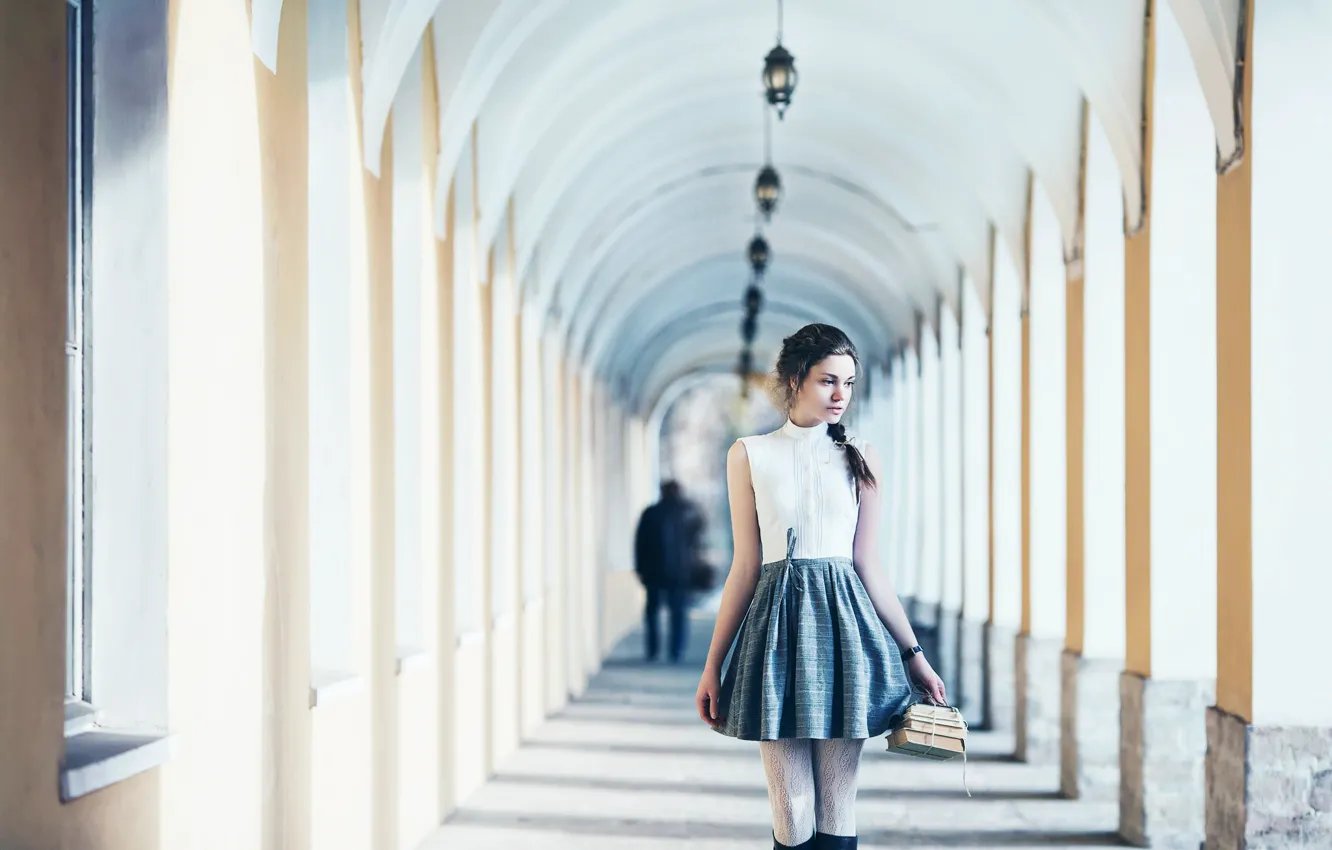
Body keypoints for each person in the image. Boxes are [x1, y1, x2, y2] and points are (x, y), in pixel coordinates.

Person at [695, 323, 947, 850]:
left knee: (837, 807)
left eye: (849, 384)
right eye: (828, 381)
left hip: (846, 636)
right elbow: (745, 566)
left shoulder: (861, 457)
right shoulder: (749, 454)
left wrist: (914, 654)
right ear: (794, 379)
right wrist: (713, 665)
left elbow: (868, 565)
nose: (840, 396)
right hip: (775, 640)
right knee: (791, 812)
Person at [634, 480, 704, 662]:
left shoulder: (651, 513)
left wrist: (641, 569)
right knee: (678, 612)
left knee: (653, 611)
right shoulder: (687, 512)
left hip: (654, 571)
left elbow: (640, 544)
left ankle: (653, 649)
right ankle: (676, 650)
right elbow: (697, 539)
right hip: (679, 572)